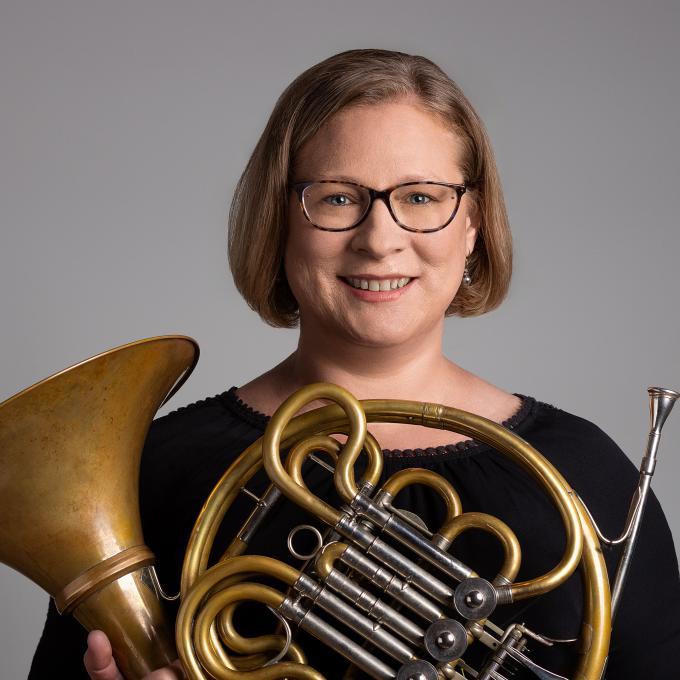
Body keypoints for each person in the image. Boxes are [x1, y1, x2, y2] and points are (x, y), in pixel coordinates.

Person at [29, 49, 680, 680]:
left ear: (473, 224)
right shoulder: (153, 476)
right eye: (338, 198)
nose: (379, 238)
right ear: (280, 218)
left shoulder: (587, 475)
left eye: (422, 197)